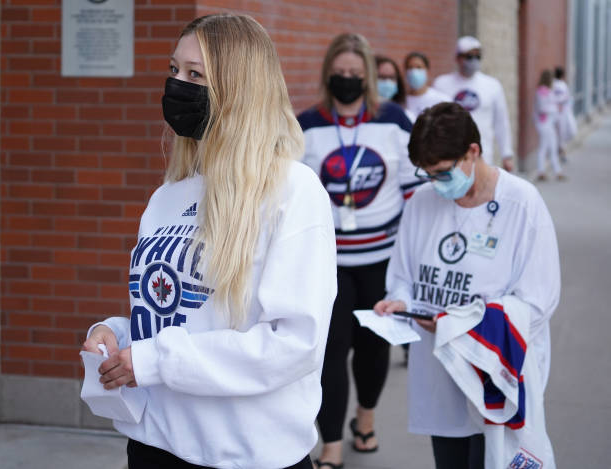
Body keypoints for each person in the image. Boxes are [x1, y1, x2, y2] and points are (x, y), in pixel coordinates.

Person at [81, 14, 337, 469]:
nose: (178, 84)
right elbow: (181, 317)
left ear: (238, 88)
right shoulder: (167, 195)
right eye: (174, 70)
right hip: (155, 445)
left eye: (195, 74)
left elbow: (294, 344)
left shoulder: (292, 191)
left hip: (246, 455)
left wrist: (155, 359)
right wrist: (119, 338)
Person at [374, 102, 560, 468]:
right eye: (426, 174)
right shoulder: (422, 203)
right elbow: (402, 277)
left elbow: (537, 303)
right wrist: (399, 303)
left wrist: (457, 324)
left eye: (442, 173)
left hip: (496, 376)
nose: (435, 183)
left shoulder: (522, 205)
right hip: (440, 376)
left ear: (472, 152)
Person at [297, 33, 418, 469]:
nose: (347, 80)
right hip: (329, 264)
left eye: (355, 73)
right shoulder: (307, 124)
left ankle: (364, 419)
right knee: (330, 350)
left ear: (367, 75)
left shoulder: (393, 120)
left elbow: (414, 190)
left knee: (373, 347)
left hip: (381, 259)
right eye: (339, 72)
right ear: (328, 73)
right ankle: (330, 441)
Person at [433, 36, 514, 172]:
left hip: (483, 155)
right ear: (458, 58)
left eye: (478, 56)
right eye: (469, 56)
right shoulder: (441, 84)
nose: (474, 60)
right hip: (450, 155)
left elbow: (501, 122)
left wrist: (506, 154)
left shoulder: (492, 85)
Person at [535, 69, 564, 181]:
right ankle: (541, 171)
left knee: (552, 146)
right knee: (544, 147)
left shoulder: (547, 90)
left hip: (549, 123)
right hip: (544, 122)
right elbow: (542, 108)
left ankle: (557, 171)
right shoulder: (542, 91)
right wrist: (554, 109)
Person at [404, 51, 450, 118]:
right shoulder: (402, 101)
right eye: (410, 67)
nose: (414, 72)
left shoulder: (441, 100)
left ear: (427, 71)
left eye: (419, 67)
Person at [552, 66, 577, 162]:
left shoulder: (553, 84)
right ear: (562, 75)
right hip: (562, 113)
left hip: (555, 113)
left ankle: (560, 151)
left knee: (558, 134)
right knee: (564, 133)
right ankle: (561, 153)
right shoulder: (562, 85)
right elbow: (566, 99)